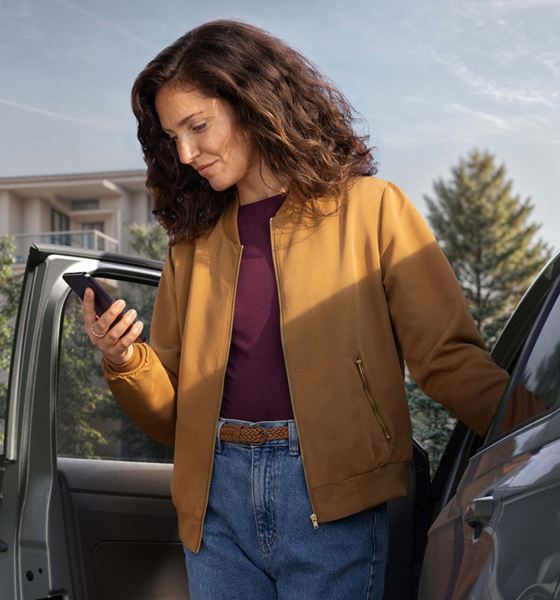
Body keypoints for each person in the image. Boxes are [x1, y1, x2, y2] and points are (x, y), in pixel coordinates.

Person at [82, 19, 508, 600]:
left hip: (334, 496)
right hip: (215, 505)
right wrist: (127, 358)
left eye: (198, 126)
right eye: (172, 136)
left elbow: (447, 359)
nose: (185, 153)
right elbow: (169, 420)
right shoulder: (192, 245)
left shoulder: (373, 209)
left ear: (253, 104)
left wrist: (552, 431)